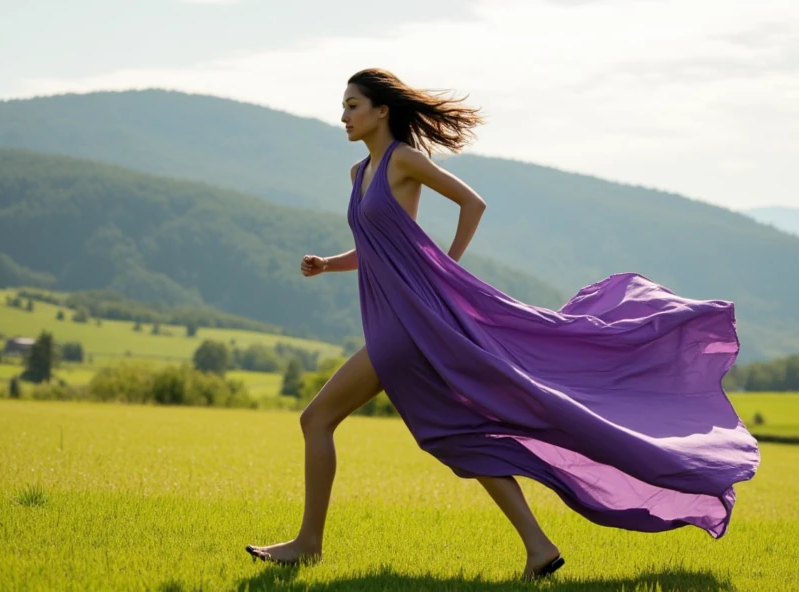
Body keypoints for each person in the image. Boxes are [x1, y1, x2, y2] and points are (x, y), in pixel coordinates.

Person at [246, 68, 760, 581]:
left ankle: (308, 544)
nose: (343, 116)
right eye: (343, 106)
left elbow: (473, 203)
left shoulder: (403, 160)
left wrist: (444, 267)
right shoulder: (359, 174)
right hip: (394, 319)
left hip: (408, 325)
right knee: (456, 434)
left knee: (317, 419)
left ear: (382, 110)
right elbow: (382, 248)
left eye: (353, 105)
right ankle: (538, 547)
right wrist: (329, 264)